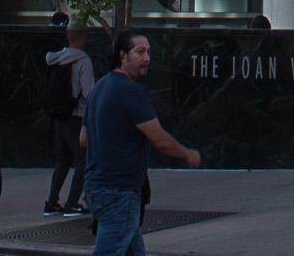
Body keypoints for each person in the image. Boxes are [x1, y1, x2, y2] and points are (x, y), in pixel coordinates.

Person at [87, 29, 200, 256]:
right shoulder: (130, 91)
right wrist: (188, 154)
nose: (146, 58)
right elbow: (160, 140)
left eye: (148, 52)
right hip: (120, 191)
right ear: (122, 55)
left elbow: (83, 138)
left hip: (97, 186)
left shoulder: (100, 87)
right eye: (139, 52)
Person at [44, 13, 96, 217]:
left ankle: (51, 202)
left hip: (58, 116)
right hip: (76, 117)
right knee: (83, 160)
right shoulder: (83, 60)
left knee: (63, 160)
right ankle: (72, 203)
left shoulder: (55, 59)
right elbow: (89, 93)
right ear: (83, 36)